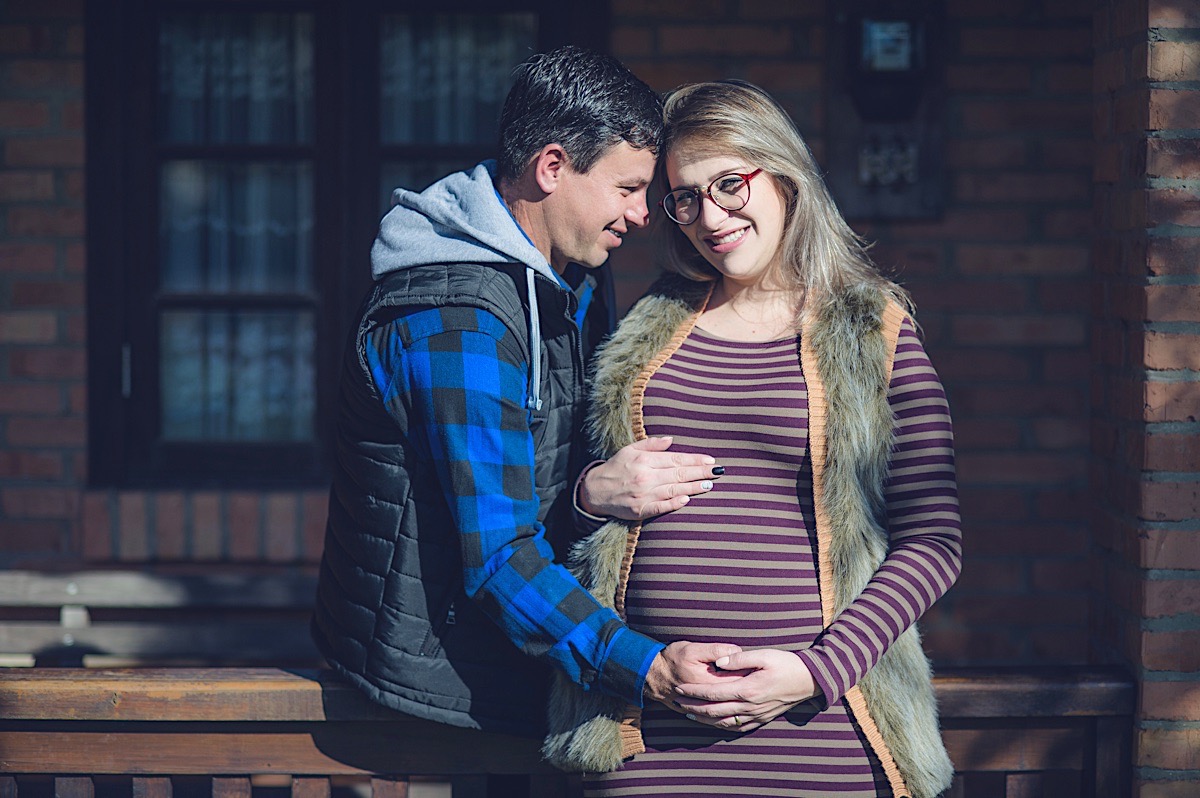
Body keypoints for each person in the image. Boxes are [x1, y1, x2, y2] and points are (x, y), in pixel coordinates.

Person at [543, 81, 962, 798]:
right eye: (686, 198)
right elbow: (563, 507)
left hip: (821, 727)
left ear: (785, 175)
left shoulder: (871, 328)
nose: (711, 216)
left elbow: (934, 543)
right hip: (645, 730)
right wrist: (586, 494)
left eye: (729, 184)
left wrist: (815, 671)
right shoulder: (647, 329)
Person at [311, 47, 736, 742]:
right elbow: (500, 558)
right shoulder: (460, 323)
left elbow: (526, 490)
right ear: (552, 167)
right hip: (434, 706)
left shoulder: (565, 280)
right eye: (628, 188)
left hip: (511, 675)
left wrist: (585, 495)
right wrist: (649, 666)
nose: (642, 214)